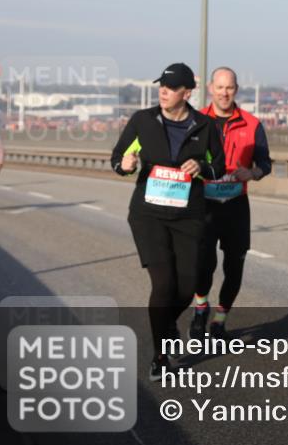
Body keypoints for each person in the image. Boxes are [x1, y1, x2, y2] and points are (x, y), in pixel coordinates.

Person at [110, 63, 225, 380]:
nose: (163, 91)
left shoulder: (204, 126)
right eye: (161, 85)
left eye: (171, 87)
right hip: (148, 213)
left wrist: (201, 166)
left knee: (187, 287)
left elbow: (221, 167)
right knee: (164, 284)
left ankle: (165, 323)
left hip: (188, 215)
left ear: (187, 93)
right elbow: (118, 158)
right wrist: (126, 164)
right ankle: (161, 354)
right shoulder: (143, 121)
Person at [190, 67, 272, 342]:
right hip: (204, 204)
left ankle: (220, 320)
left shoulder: (252, 124)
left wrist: (253, 173)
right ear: (211, 88)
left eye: (230, 88)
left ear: (236, 90)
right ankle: (201, 307)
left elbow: (265, 163)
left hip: (236, 205)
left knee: (234, 267)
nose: (224, 93)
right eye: (220, 87)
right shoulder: (196, 121)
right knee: (203, 264)